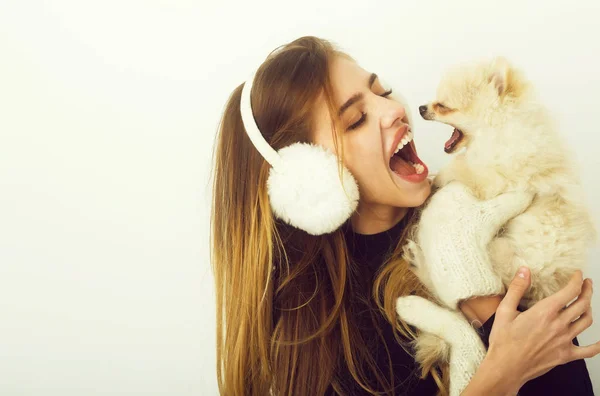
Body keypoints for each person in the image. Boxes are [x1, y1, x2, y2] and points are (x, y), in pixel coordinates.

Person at [210, 36, 599, 395]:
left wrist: (486, 302)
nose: (395, 109)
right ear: (312, 177)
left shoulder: (494, 231)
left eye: (383, 92)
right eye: (356, 119)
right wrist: (499, 377)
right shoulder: (304, 334)